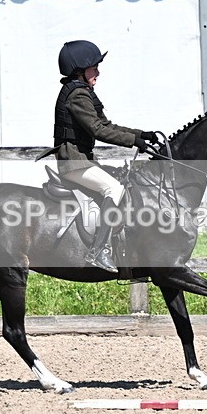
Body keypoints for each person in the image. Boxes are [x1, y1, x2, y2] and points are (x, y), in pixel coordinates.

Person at [51, 40, 157, 273]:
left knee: (118, 184)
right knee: (114, 189)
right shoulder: (77, 95)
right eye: (94, 67)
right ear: (80, 70)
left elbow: (107, 124)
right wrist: (133, 142)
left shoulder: (83, 91)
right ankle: (98, 252)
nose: (98, 71)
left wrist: (141, 134)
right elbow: (98, 131)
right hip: (73, 161)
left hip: (82, 159)